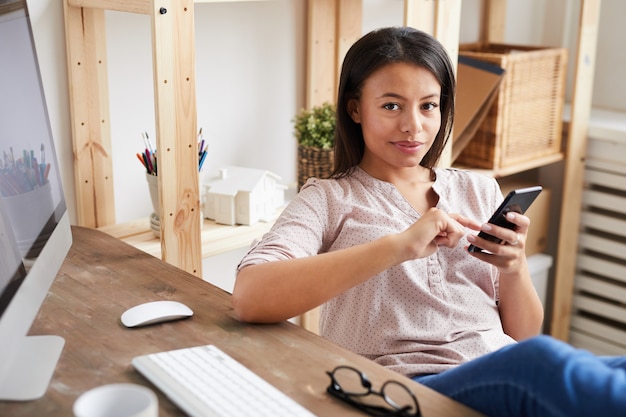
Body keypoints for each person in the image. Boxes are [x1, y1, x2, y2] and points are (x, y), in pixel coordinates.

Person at [232, 26, 626, 417]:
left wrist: (514, 266)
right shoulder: (329, 199)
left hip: (498, 367)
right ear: (355, 108)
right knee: (542, 362)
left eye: (428, 106)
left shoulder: (479, 189)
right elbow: (251, 296)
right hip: (409, 386)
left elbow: (521, 335)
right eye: (391, 106)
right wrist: (399, 245)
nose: (413, 126)